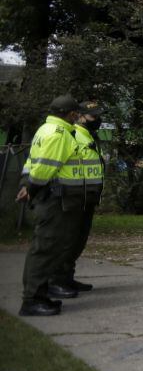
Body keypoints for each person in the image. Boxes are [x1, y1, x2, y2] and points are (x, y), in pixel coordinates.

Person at [16, 95, 84, 316]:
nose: (79, 116)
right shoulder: (59, 134)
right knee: (45, 249)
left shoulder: (44, 130)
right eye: (77, 113)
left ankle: (40, 295)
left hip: (48, 196)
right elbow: (45, 168)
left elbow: (31, 162)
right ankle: (32, 300)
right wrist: (32, 188)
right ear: (71, 114)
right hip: (54, 199)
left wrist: (26, 184)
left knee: (45, 247)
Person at [49, 100, 106, 294]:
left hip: (86, 197)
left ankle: (67, 277)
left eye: (98, 116)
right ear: (79, 116)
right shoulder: (71, 135)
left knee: (78, 241)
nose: (97, 120)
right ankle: (55, 281)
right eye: (92, 116)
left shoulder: (89, 136)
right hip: (70, 197)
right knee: (66, 241)